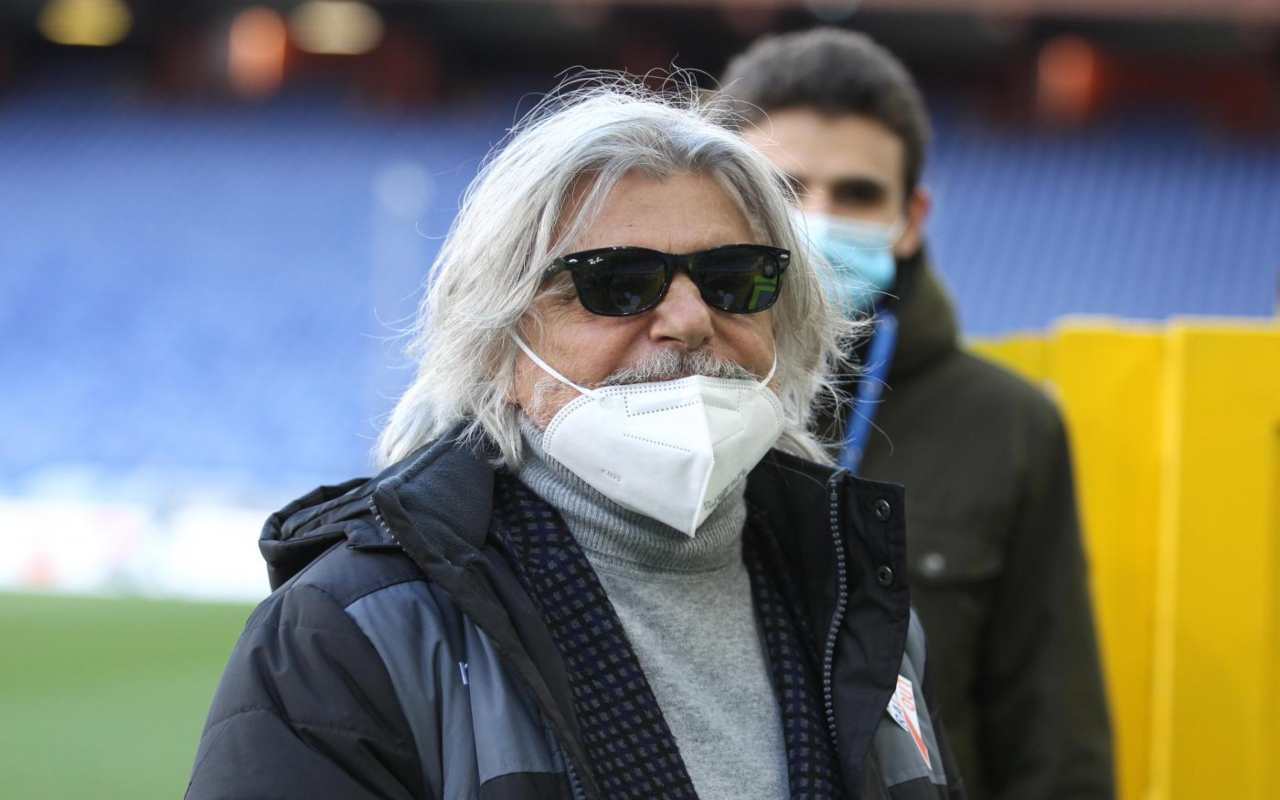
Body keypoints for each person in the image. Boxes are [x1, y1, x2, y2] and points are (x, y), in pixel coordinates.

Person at [184, 78, 965, 800]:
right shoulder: (346, 636)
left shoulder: (860, 607)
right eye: (616, 283)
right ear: (498, 344)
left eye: (735, 278)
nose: (690, 319)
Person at [721, 29, 1113, 800]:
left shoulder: (1009, 426)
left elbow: (1052, 734)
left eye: (858, 194)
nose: (818, 218)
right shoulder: (655, 397)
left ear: (910, 217)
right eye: (783, 188)